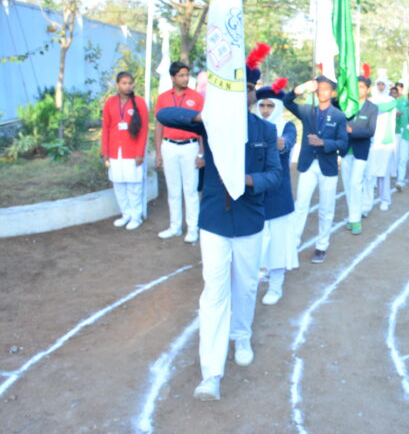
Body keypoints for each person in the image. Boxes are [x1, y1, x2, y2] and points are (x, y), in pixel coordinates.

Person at [156, 79, 282, 402]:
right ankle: (210, 373)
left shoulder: (265, 131)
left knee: (247, 285)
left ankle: (241, 335)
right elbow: (167, 115)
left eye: (247, 89)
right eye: (234, 88)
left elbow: (275, 174)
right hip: (213, 221)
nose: (242, 94)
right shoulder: (210, 124)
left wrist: (249, 179)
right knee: (214, 291)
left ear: (252, 95)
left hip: (250, 221)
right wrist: (202, 117)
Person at [284, 77, 348, 264]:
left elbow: (343, 144)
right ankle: (294, 241)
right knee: (301, 204)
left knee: (326, 208)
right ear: (315, 91)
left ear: (332, 92)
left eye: (326, 89)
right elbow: (287, 101)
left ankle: (322, 245)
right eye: (319, 89)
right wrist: (300, 88)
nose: (322, 92)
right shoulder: (307, 111)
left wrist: (324, 143)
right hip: (307, 164)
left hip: (327, 166)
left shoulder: (338, 116)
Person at [252, 78, 298, 305]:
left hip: (278, 194)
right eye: (262, 105)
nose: (266, 110)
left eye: (271, 106)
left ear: (278, 107)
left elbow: (286, 142)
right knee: (255, 240)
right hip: (255, 193)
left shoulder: (286, 127)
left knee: (278, 241)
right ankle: (259, 274)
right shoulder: (250, 125)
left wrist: (279, 142)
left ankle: (276, 286)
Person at [155, 61, 205, 242]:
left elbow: (203, 125)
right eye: (181, 75)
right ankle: (175, 226)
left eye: (187, 75)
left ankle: (193, 228)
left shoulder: (197, 97)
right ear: (172, 77)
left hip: (190, 147)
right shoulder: (162, 98)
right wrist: (158, 152)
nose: (185, 79)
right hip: (169, 146)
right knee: (173, 189)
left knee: (190, 190)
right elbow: (159, 125)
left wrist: (201, 153)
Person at [101, 71, 149, 231]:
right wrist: (105, 152)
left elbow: (143, 131)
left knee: (133, 185)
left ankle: (136, 216)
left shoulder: (139, 103)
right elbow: (106, 128)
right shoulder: (110, 102)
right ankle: (125, 214)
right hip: (115, 150)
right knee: (119, 184)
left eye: (130, 83)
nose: (127, 86)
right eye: (124, 83)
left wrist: (139, 153)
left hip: (132, 150)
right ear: (117, 85)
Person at [342, 75, 378, 235]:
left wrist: (352, 131)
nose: (359, 90)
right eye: (356, 87)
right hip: (345, 150)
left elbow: (370, 131)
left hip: (361, 150)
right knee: (348, 185)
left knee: (356, 183)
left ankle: (356, 219)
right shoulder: (346, 104)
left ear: (367, 89)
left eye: (362, 87)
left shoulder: (372, 108)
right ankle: (352, 216)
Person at [364, 79, 398, 212]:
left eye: (382, 84)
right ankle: (367, 204)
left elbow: (381, 108)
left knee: (383, 174)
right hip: (372, 139)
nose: (380, 86)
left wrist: (369, 103)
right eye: (378, 84)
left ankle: (385, 200)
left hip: (385, 141)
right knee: (369, 173)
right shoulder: (372, 99)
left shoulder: (391, 100)